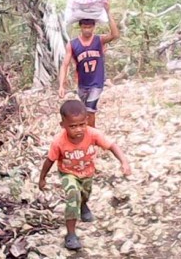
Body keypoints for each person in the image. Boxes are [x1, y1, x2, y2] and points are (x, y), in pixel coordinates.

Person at [39, 99, 131, 250]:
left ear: (87, 121)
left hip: (87, 173)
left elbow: (112, 145)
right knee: (73, 195)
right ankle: (70, 234)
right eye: (73, 126)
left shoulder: (93, 134)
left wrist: (124, 162)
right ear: (63, 125)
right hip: (68, 173)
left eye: (82, 124)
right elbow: (49, 160)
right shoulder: (59, 141)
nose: (78, 129)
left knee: (85, 194)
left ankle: (83, 205)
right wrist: (42, 178)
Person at [58, 0, 120, 128]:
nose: (87, 30)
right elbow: (65, 65)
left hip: (97, 83)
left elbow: (115, 34)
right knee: (85, 112)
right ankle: (89, 134)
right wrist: (61, 85)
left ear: (94, 27)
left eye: (90, 27)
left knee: (90, 111)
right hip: (82, 85)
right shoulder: (73, 44)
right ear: (80, 27)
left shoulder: (99, 40)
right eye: (85, 27)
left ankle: (92, 137)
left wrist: (108, 11)